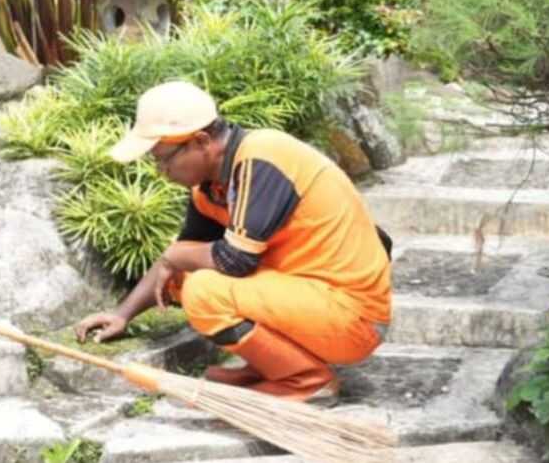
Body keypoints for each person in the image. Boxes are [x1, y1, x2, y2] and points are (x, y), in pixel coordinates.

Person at [75, 81, 392, 404]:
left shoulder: (264, 157)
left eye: (164, 160)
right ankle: (275, 367)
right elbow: (179, 256)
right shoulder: (210, 187)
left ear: (200, 142)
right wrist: (122, 314)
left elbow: (234, 260)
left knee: (203, 291)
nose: (162, 172)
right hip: (310, 299)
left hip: (352, 317)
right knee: (180, 279)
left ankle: (306, 380)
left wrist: (176, 254)